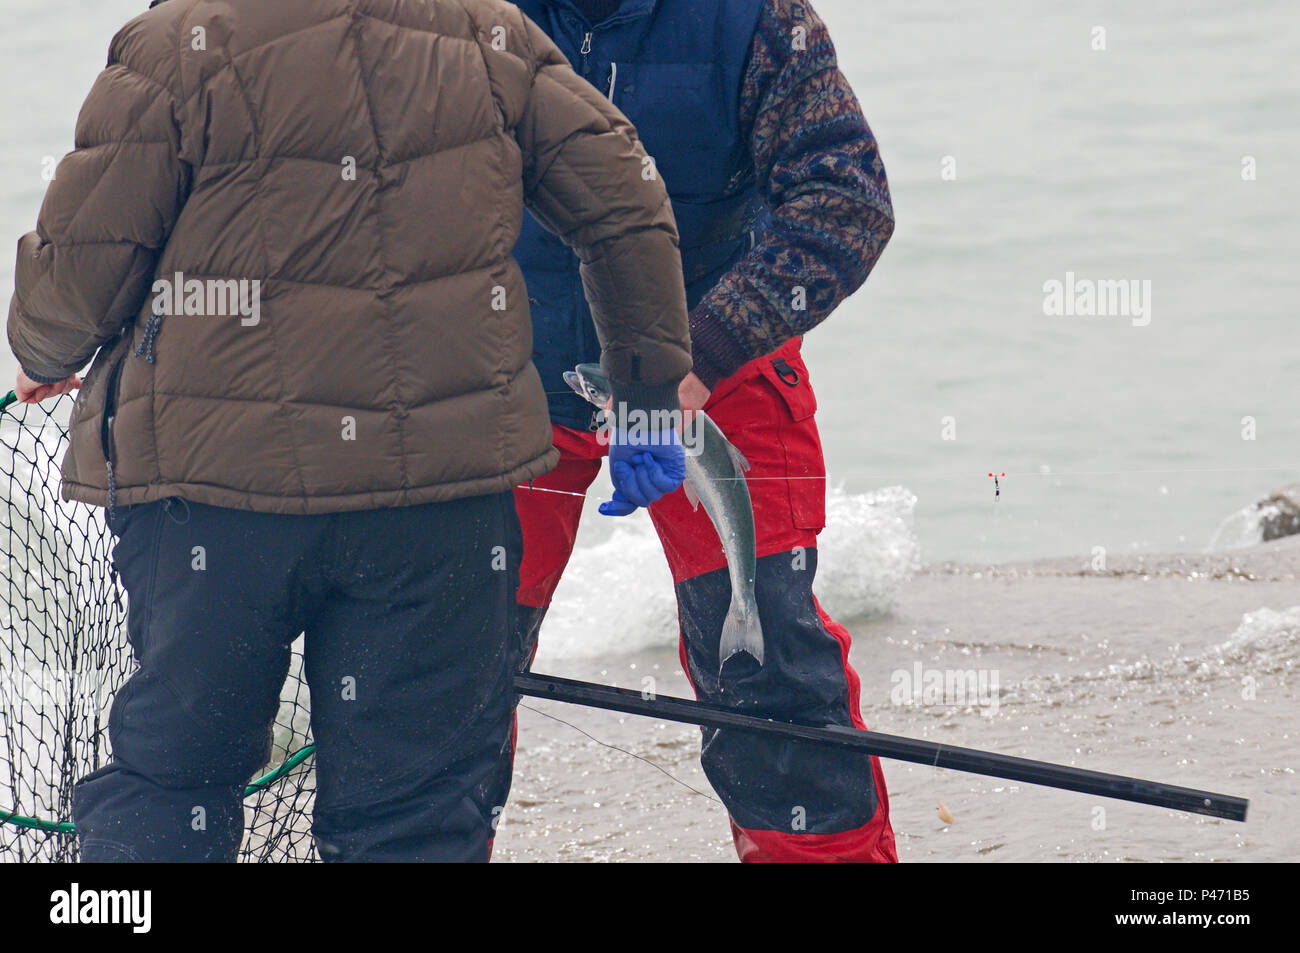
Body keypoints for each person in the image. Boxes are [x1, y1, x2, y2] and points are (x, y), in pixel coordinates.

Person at [7, 0, 691, 862]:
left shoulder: (174, 43)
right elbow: (626, 198)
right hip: (440, 504)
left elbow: (83, 261)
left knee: (172, 782)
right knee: (415, 814)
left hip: (215, 503)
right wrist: (646, 392)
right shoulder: (488, 33)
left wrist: (42, 347)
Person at [501, 0, 900, 862]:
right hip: (508, 371)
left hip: (717, 361)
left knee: (773, 666)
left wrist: (700, 357)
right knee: (447, 661)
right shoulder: (461, 17)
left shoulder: (757, 18)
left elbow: (848, 201)